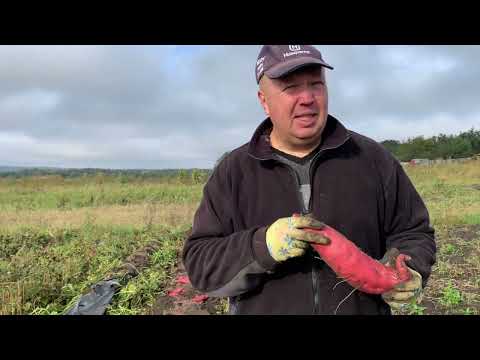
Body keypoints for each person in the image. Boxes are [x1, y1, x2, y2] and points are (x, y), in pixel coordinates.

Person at [182, 45, 436, 315]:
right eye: (290, 87)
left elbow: (414, 232)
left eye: (316, 84)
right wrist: (262, 245)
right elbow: (200, 264)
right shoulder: (234, 172)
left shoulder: (371, 158)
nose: (307, 98)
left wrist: (410, 268)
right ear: (264, 101)